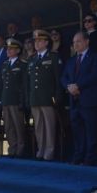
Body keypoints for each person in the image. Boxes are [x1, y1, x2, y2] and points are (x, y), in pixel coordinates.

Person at [61, 31, 97, 165]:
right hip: (75, 102)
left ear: (87, 41)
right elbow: (64, 77)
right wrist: (69, 87)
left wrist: (77, 85)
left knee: (91, 131)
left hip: (90, 101)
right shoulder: (71, 60)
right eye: (74, 42)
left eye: (78, 41)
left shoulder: (96, 57)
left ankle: (90, 158)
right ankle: (78, 156)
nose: (76, 44)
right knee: (77, 131)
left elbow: (96, 75)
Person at [27, 30, 62, 161]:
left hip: (48, 98)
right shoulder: (32, 59)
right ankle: (40, 149)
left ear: (46, 42)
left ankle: (50, 151)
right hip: (35, 98)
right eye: (35, 41)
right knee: (39, 126)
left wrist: (57, 96)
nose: (36, 43)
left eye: (39, 40)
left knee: (49, 126)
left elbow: (57, 79)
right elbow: (29, 81)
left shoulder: (53, 57)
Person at [0, 39, 27, 158]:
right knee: (8, 126)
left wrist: (22, 101)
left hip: (16, 101)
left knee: (18, 125)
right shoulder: (5, 64)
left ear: (18, 50)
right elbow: (1, 84)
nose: (8, 51)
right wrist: (0, 100)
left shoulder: (22, 64)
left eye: (11, 49)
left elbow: (24, 85)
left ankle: (20, 150)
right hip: (6, 100)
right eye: (8, 49)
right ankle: (12, 148)